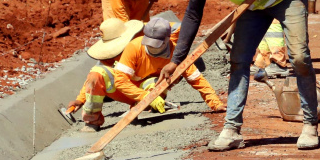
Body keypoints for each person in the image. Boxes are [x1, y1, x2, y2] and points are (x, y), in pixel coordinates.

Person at [160, 0, 319, 151]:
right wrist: (176, 61)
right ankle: (231, 130)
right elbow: (193, 15)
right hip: (253, 5)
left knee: (299, 58)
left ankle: (310, 125)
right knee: (238, 60)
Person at [66, 17, 224, 132]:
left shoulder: (174, 53)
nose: (152, 48)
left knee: (155, 82)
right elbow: (100, 76)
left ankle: (142, 107)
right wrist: (81, 99)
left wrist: (215, 103)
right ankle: (92, 121)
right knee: (97, 74)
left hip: (148, 89)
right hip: (125, 90)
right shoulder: (134, 47)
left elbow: (196, 79)